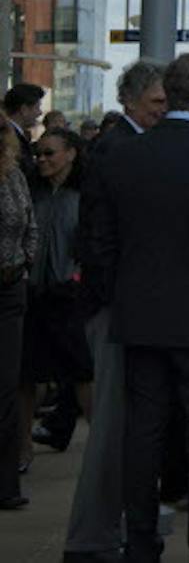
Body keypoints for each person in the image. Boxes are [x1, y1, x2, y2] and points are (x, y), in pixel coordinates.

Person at [84, 50, 189, 563]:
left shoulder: (121, 155)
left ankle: (140, 542)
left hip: (140, 314)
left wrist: (118, 293)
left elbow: (99, 241)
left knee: (143, 433)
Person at [64, 58, 165, 563]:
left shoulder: (121, 146)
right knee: (110, 425)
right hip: (116, 307)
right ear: (131, 100)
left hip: (118, 302)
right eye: (156, 102)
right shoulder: (119, 150)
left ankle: (109, 525)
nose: (162, 111)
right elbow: (102, 237)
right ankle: (93, 535)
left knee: (120, 424)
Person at [21, 129, 91, 468]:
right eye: (39, 154)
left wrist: (79, 276)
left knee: (82, 372)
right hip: (33, 293)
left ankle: (101, 452)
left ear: (71, 153)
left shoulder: (87, 194)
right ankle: (21, 448)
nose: (42, 160)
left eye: (50, 153)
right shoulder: (31, 190)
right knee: (26, 375)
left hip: (70, 295)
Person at [0, 110, 38, 510]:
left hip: (11, 287)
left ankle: (6, 485)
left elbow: (30, 223)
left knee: (7, 386)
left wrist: (26, 259)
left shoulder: (14, 176)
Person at [5, 81, 45, 182]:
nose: (40, 112)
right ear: (24, 110)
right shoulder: (8, 137)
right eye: (37, 107)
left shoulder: (13, 134)